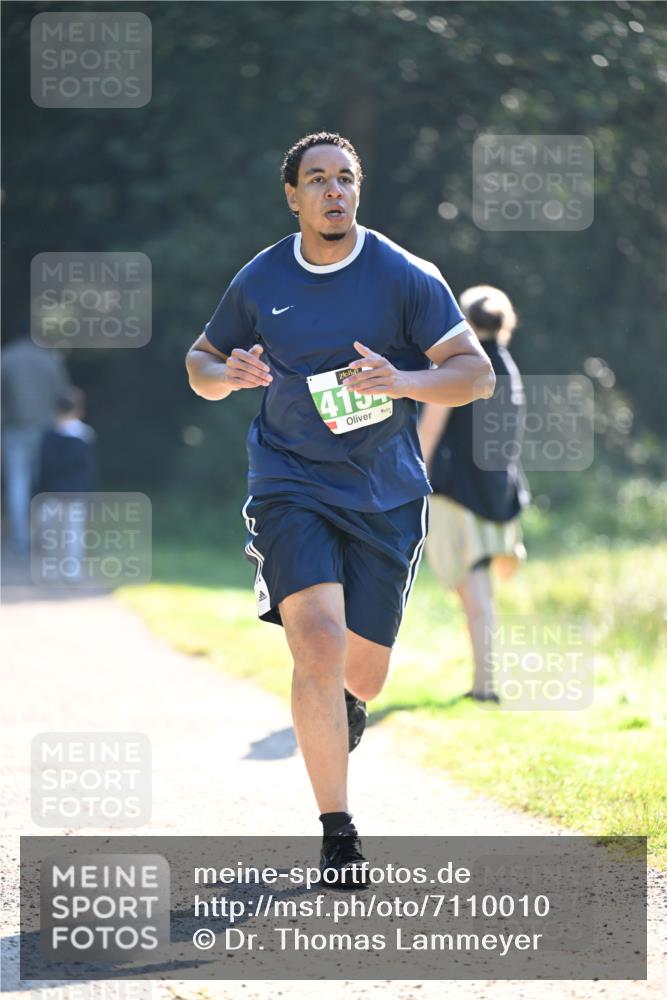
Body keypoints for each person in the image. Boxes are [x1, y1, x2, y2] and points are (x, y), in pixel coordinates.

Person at [185, 132, 495, 885]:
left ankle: (345, 705)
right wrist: (227, 373)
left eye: (345, 178)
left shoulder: (403, 276)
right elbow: (199, 364)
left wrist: (403, 381)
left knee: (366, 673)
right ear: (292, 194)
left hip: (384, 488)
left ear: (359, 189)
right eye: (317, 179)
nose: (333, 190)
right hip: (289, 478)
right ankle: (338, 831)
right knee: (316, 645)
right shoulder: (261, 279)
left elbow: (474, 375)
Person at [418, 285, 530, 704]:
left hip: (458, 495)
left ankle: (485, 687)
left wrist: (411, 478)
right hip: (499, 495)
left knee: (474, 596)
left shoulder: (463, 365)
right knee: (481, 595)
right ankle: (485, 682)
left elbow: (430, 429)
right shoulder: (509, 367)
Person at [1, 334, 69, 553]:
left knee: (17, 483)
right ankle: (46, 536)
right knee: (45, 483)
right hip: (45, 428)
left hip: (14, 428)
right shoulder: (48, 358)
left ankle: (20, 538)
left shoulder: (7, 357)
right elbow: (63, 394)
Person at [34, 387, 98, 583]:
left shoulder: (48, 434)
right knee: (74, 535)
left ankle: (52, 569)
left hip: (52, 493)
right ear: (80, 410)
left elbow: (42, 468)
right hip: (76, 495)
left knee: (52, 534)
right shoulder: (85, 436)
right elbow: (89, 470)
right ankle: (72, 571)